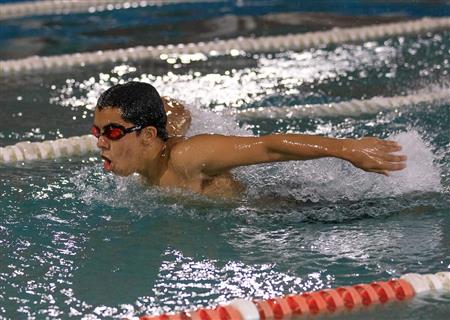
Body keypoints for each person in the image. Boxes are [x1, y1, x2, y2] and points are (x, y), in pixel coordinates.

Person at [92, 81, 407, 198]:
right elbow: (173, 111)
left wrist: (348, 149)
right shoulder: (153, 145)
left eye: (112, 132)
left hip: (284, 216)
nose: (101, 143)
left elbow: (267, 147)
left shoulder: (187, 157)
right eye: (97, 131)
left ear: (147, 136)